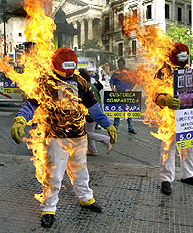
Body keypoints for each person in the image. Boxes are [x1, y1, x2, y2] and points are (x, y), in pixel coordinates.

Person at [10, 47, 117, 228]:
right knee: (53, 175)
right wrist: (21, 119)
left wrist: (108, 125)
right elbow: (31, 103)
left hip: (79, 137)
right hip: (55, 138)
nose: (68, 74)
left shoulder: (81, 82)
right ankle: (49, 209)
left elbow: (93, 107)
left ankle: (86, 198)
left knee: (80, 171)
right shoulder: (46, 82)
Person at [155, 43, 193, 196]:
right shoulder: (163, 71)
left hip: (188, 116)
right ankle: (166, 179)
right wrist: (164, 99)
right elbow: (154, 92)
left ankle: (188, 174)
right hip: (169, 116)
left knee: (190, 145)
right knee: (168, 148)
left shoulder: (190, 70)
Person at [79, 68, 112, 156]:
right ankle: (93, 150)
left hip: (91, 113)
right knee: (89, 131)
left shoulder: (85, 86)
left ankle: (106, 140)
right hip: (94, 111)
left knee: (85, 133)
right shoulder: (91, 85)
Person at [110, 58, 137, 134]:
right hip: (118, 94)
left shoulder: (129, 72)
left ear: (124, 64)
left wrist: (129, 89)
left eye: (121, 65)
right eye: (119, 65)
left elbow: (133, 82)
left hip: (127, 95)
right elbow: (111, 82)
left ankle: (130, 128)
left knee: (128, 111)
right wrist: (113, 88)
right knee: (117, 110)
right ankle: (115, 127)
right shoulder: (115, 73)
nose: (120, 66)